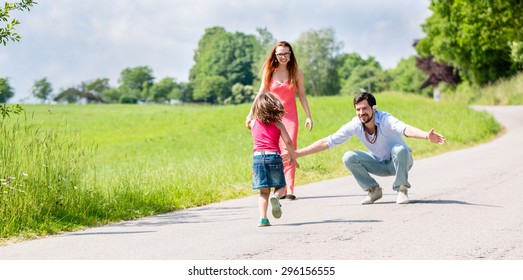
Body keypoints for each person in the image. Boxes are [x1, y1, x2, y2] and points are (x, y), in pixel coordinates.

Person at [295, 91, 446, 204]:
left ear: (374, 109)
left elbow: (405, 129)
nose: (361, 113)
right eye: (358, 109)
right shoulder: (355, 124)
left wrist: (426, 135)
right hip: (378, 163)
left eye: (365, 109)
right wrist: (298, 153)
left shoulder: (386, 119)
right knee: (349, 157)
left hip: (399, 161)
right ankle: (373, 191)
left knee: (400, 149)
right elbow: (328, 141)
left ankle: (401, 189)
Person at [246, 41, 313, 200]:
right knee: (275, 151)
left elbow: (302, 95)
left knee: (290, 148)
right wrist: (251, 113)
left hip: (290, 117)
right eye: (280, 54)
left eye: (287, 53)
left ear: (291, 55)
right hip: (272, 117)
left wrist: (308, 115)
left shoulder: (296, 72)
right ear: (275, 56)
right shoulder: (269, 71)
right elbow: (261, 93)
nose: (284, 57)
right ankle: (279, 186)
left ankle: (289, 188)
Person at [249, 92, 298, 227]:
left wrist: (251, 113)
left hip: (258, 158)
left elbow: (249, 118)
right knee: (281, 186)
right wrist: (293, 157)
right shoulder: (278, 124)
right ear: (274, 107)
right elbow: (288, 142)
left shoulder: (253, 123)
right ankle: (276, 197)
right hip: (274, 157)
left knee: (263, 192)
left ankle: (262, 219)